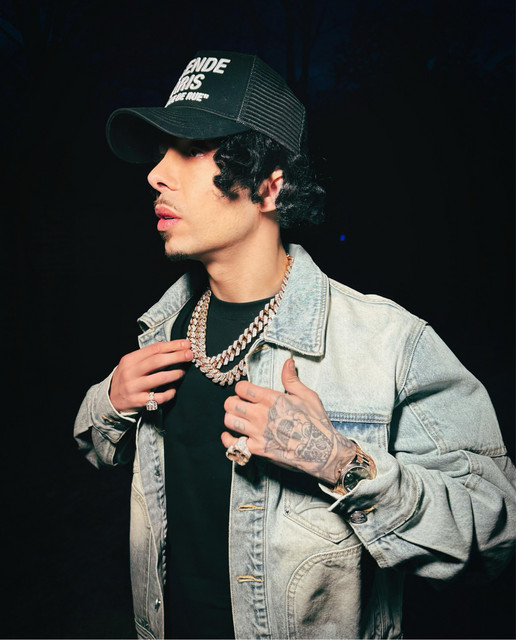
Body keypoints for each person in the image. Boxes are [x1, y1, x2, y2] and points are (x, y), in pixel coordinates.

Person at [74, 50, 516, 640]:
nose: (157, 174)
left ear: (268, 186)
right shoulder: (163, 329)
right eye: (161, 151)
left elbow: (495, 533)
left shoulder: (386, 343)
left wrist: (339, 463)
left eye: (191, 150)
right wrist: (109, 402)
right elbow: (95, 448)